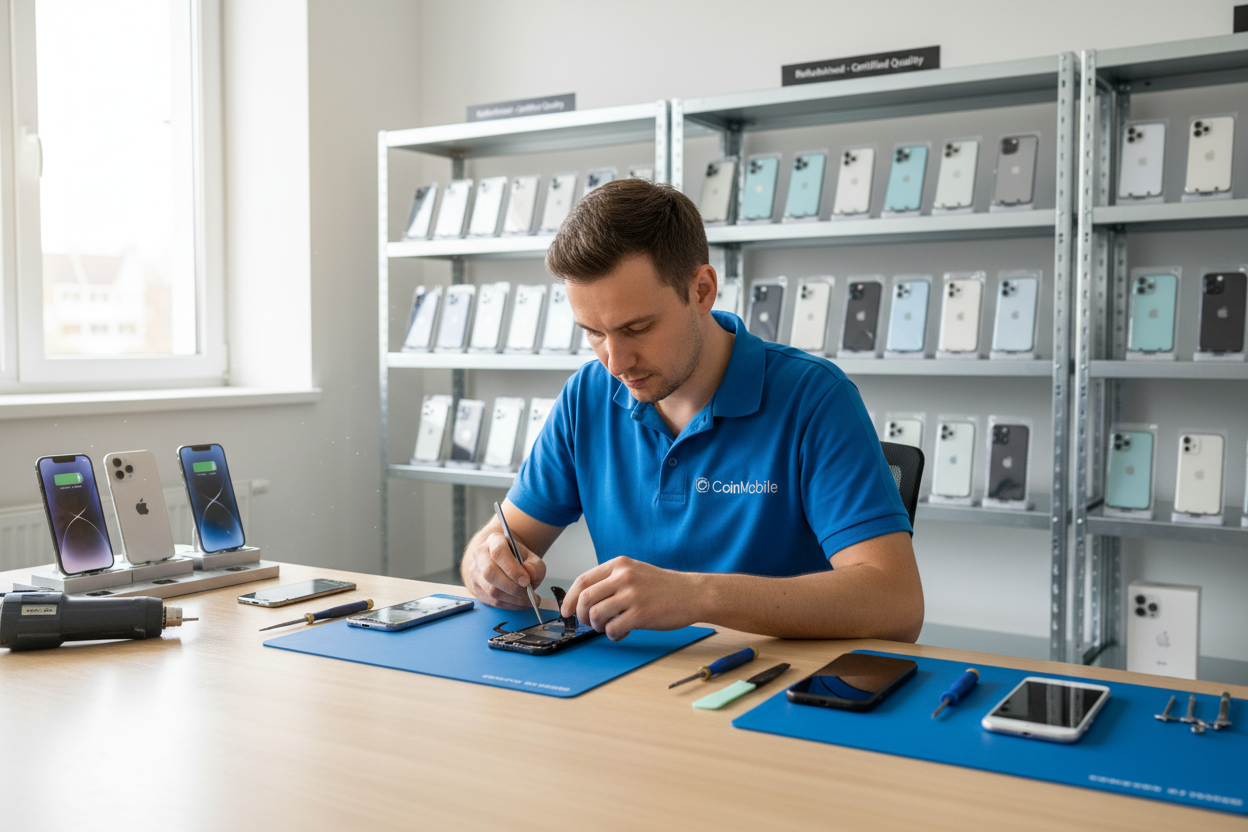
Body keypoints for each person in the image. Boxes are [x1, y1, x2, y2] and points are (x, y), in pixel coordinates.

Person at [460, 178, 923, 642]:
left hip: (767, 688)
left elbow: (896, 604)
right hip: (626, 686)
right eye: (594, 333)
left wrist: (697, 596)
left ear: (701, 290)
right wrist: (488, 566)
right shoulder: (587, 394)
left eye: (637, 327)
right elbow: (504, 540)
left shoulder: (815, 397)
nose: (616, 363)